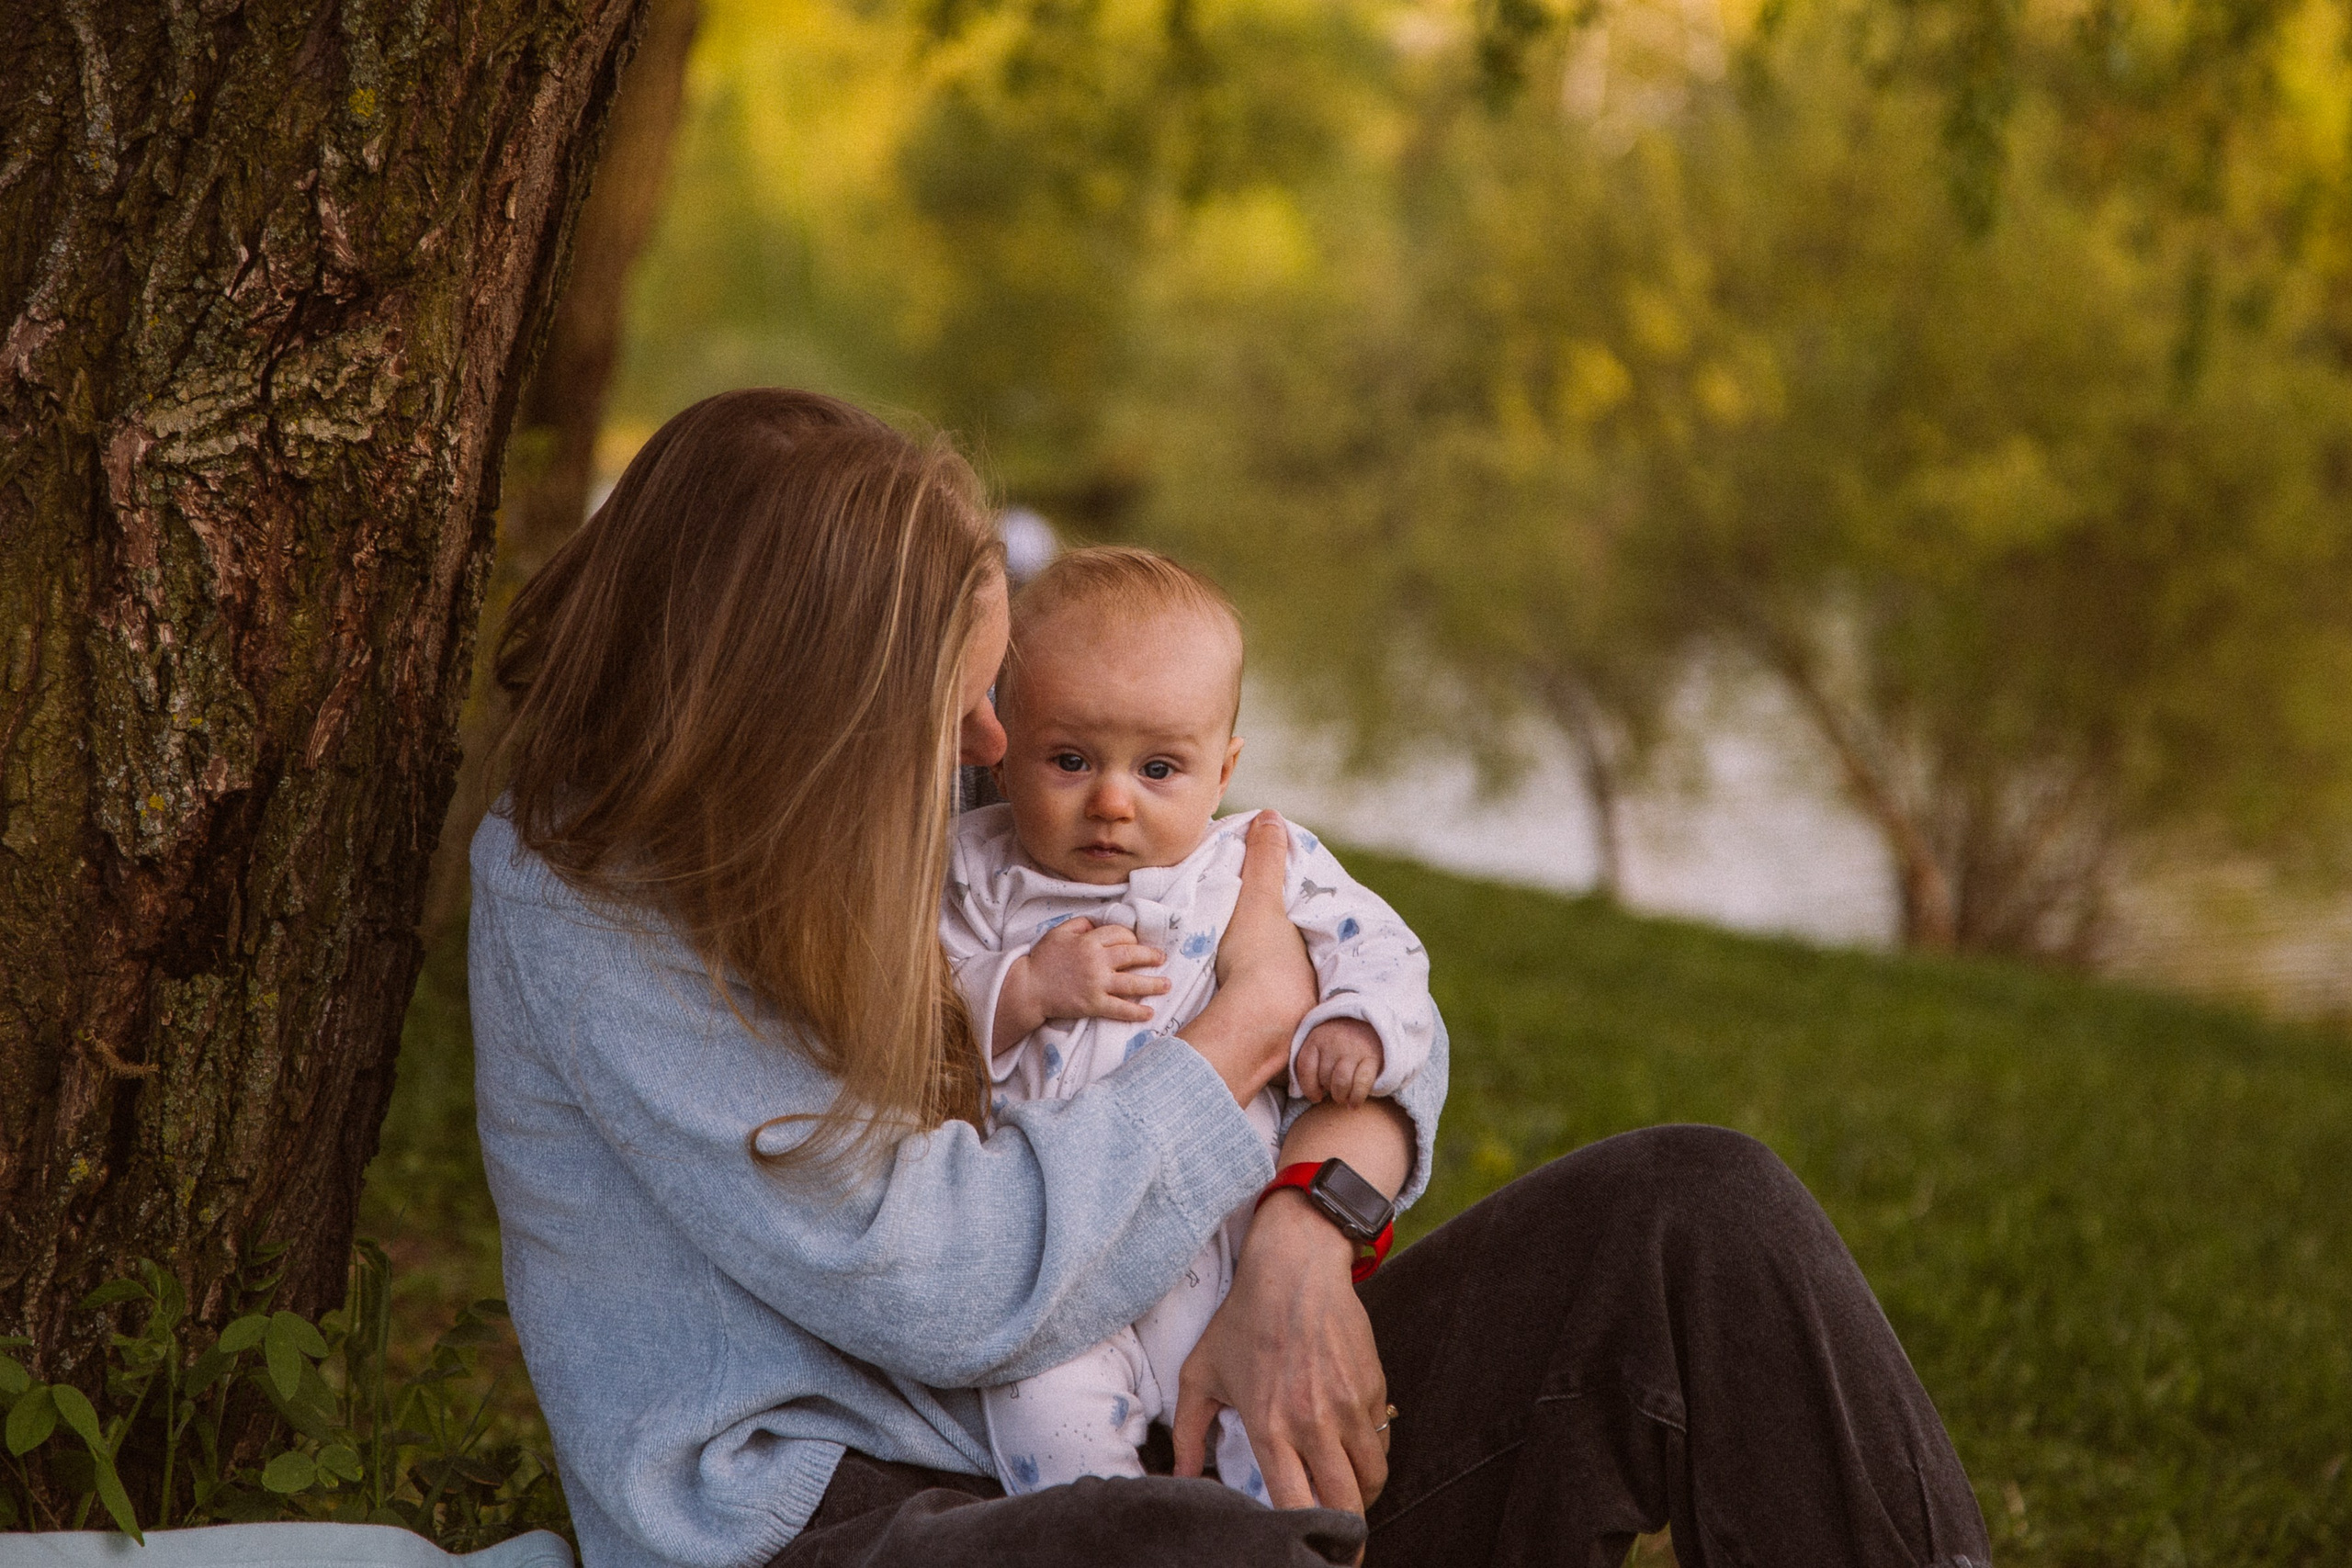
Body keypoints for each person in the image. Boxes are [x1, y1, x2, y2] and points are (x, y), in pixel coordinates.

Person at [470, 387, 1994, 1568]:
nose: (993, 749)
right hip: (851, 1523)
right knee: (1200, 1550)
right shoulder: (589, 906)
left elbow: (1367, 1013)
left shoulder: (921, 810)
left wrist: (1303, 1236)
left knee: (1697, 1216)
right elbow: (950, 1280)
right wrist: (1241, 1030)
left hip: (1175, 1411)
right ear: (806, 708)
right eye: (958, 703)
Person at [941, 547, 1437, 1502]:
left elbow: (1379, 946)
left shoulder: (1252, 860)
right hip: (1057, 1266)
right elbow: (919, 1020)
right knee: (1046, 1414)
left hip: (1223, 1251)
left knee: (1266, 1412)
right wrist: (1023, 987)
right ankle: (1110, 1529)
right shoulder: (975, 872)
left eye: (1159, 767)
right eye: (1069, 760)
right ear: (1005, 751)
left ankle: (1277, 1536)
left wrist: (1361, 1025)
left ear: (1224, 770)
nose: (1111, 800)